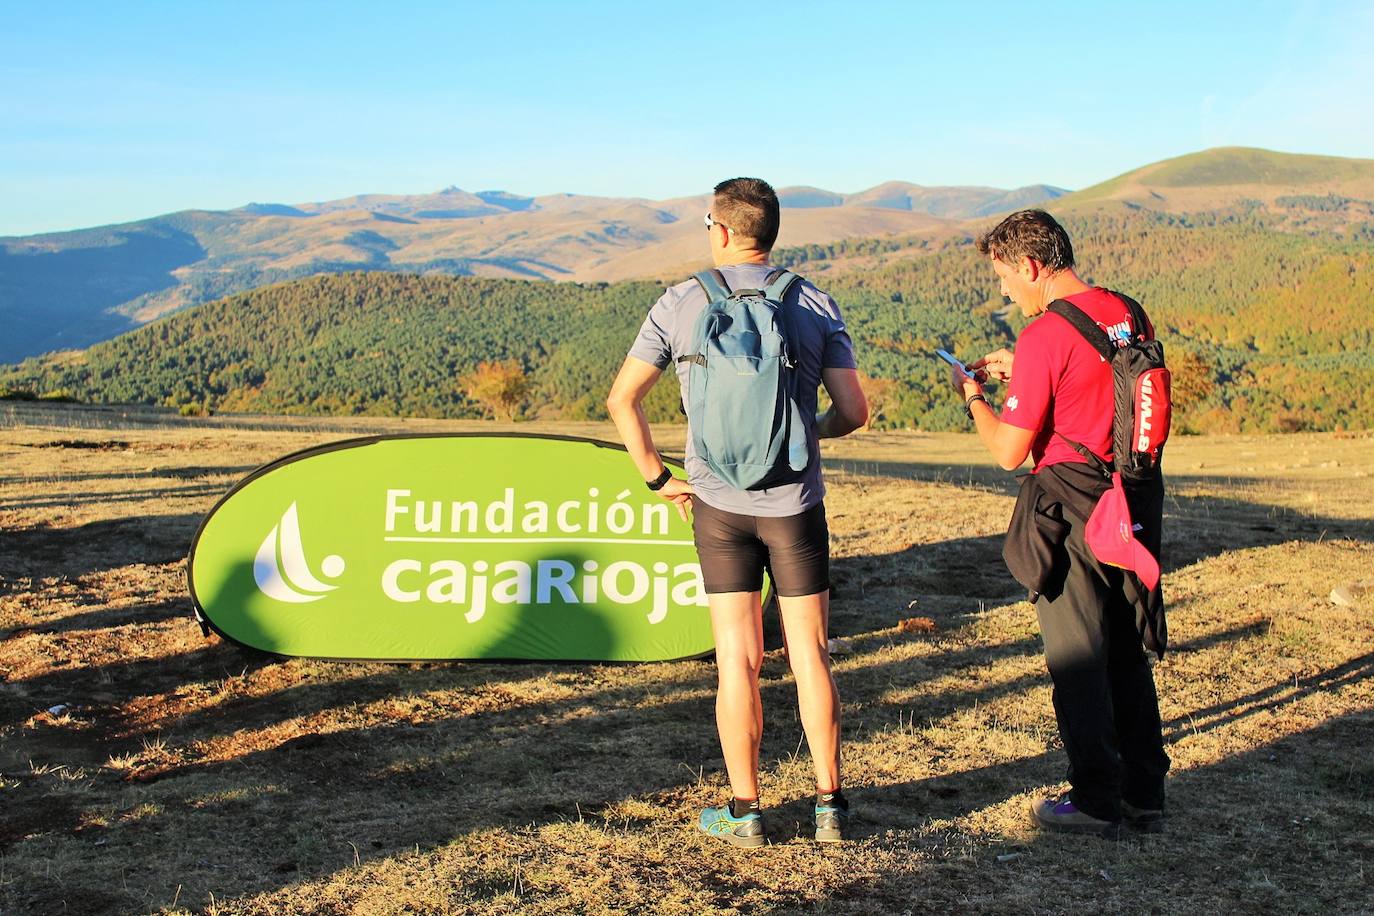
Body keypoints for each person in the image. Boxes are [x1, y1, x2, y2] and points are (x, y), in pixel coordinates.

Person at [606, 177, 869, 847]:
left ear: (719, 230)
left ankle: (746, 812)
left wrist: (656, 478)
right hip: (795, 502)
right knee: (809, 653)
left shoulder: (680, 300)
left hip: (716, 505)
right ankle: (830, 805)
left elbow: (622, 401)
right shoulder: (813, 300)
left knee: (738, 660)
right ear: (770, 232)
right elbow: (854, 410)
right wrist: (812, 434)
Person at [952, 209, 1170, 834]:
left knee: (1077, 654)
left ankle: (1096, 799)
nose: (1004, 291)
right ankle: (1144, 794)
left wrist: (975, 396)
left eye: (1003, 277)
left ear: (1030, 266)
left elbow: (1008, 451)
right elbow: (1098, 388)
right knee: (1126, 646)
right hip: (1132, 497)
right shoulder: (1127, 312)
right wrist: (1026, 371)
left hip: (1072, 506)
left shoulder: (1044, 335)